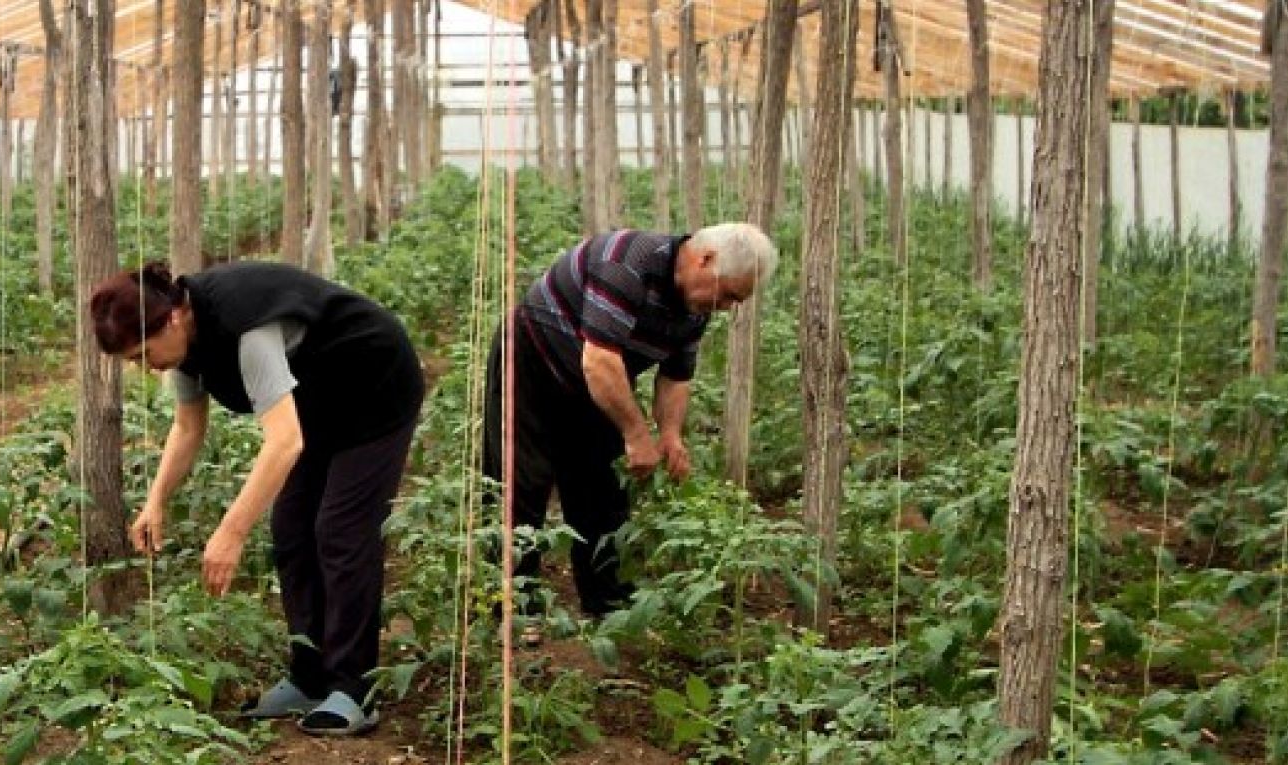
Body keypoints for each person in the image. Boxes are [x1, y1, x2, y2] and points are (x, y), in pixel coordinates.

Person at [88, 260, 424, 737]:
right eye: (134, 361)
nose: (146, 367)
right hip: (317, 404)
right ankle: (309, 677)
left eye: (143, 353)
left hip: (375, 389)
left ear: (173, 319)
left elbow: (284, 442)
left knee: (341, 532)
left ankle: (354, 689)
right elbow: (187, 428)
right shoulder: (182, 347)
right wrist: (156, 500)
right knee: (291, 529)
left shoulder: (247, 327)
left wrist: (230, 532)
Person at [484, 223, 777, 631]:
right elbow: (599, 359)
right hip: (533, 358)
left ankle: (608, 606)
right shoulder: (627, 264)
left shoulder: (695, 306)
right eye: (728, 294)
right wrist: (638, 434)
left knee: (602, 490)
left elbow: (676, 375)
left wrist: (670, 434)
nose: (728, 307)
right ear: (705, 259)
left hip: (600, 379)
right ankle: (515, 613)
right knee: (520, 483)